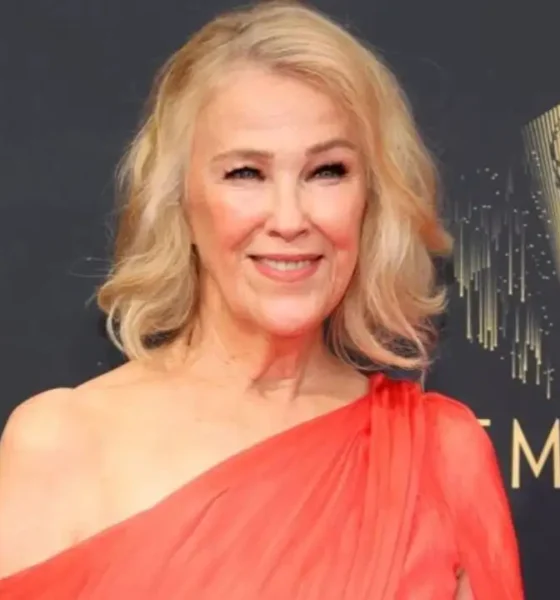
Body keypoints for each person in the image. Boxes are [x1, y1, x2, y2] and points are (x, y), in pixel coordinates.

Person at [0, 1, 523, 598]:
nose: (290, 218)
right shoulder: (61, 445)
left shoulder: (439, 454)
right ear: (179, 201)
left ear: (371, 200)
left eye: (327, 171)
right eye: (245, 173)